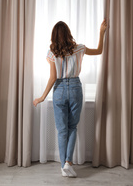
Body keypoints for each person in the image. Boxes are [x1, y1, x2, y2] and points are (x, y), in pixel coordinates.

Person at [33, 19, 107, 177]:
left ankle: (63, 166)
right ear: (68, 33)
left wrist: (41, 97)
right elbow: (99, 50)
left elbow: (53, 78)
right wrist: (102, 32)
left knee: (62, 131)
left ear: (54, 36)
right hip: (75, 88)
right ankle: (68, 162)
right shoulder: (79, 48)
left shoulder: (51, 52)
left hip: (59, 89)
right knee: (72, 127)